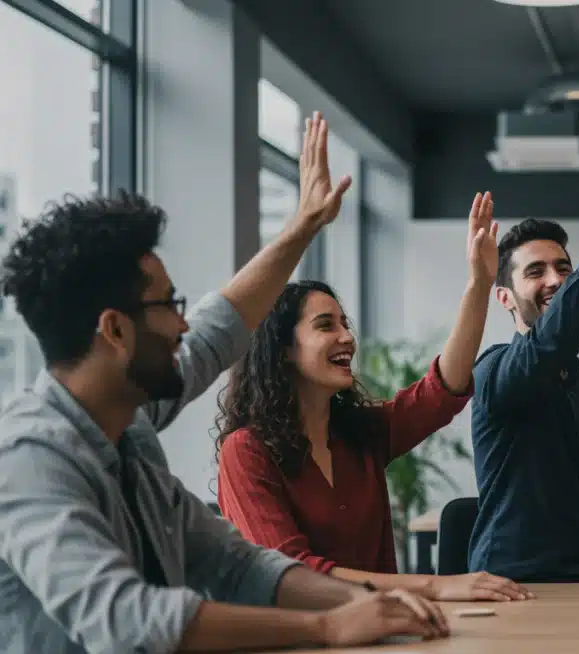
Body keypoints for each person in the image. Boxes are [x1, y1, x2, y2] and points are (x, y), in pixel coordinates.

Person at [0, 113, 452, 653]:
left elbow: (238, 563)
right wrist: (328, 626)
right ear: (115, 330)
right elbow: (128, 620)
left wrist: (362, 603)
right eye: (169, 306)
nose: (182, 325)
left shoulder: (131, 431)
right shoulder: (30, 456)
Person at [215, 192, 531, 602]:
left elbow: (441, 392)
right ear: (283, 349)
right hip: (298, 639)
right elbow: (293, 572)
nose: (347, 336)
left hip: (380, 631)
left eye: (345, 324)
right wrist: (433, 585)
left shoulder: (359, 433)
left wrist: (479, 284)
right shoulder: (246, 452)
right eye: (326, 326)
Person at [467, 135, 579, 582]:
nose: (556, 280)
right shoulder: (493, 373)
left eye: (564, 269)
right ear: (504, 297)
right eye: (536, 271)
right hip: (516, 588)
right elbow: (548, 344)